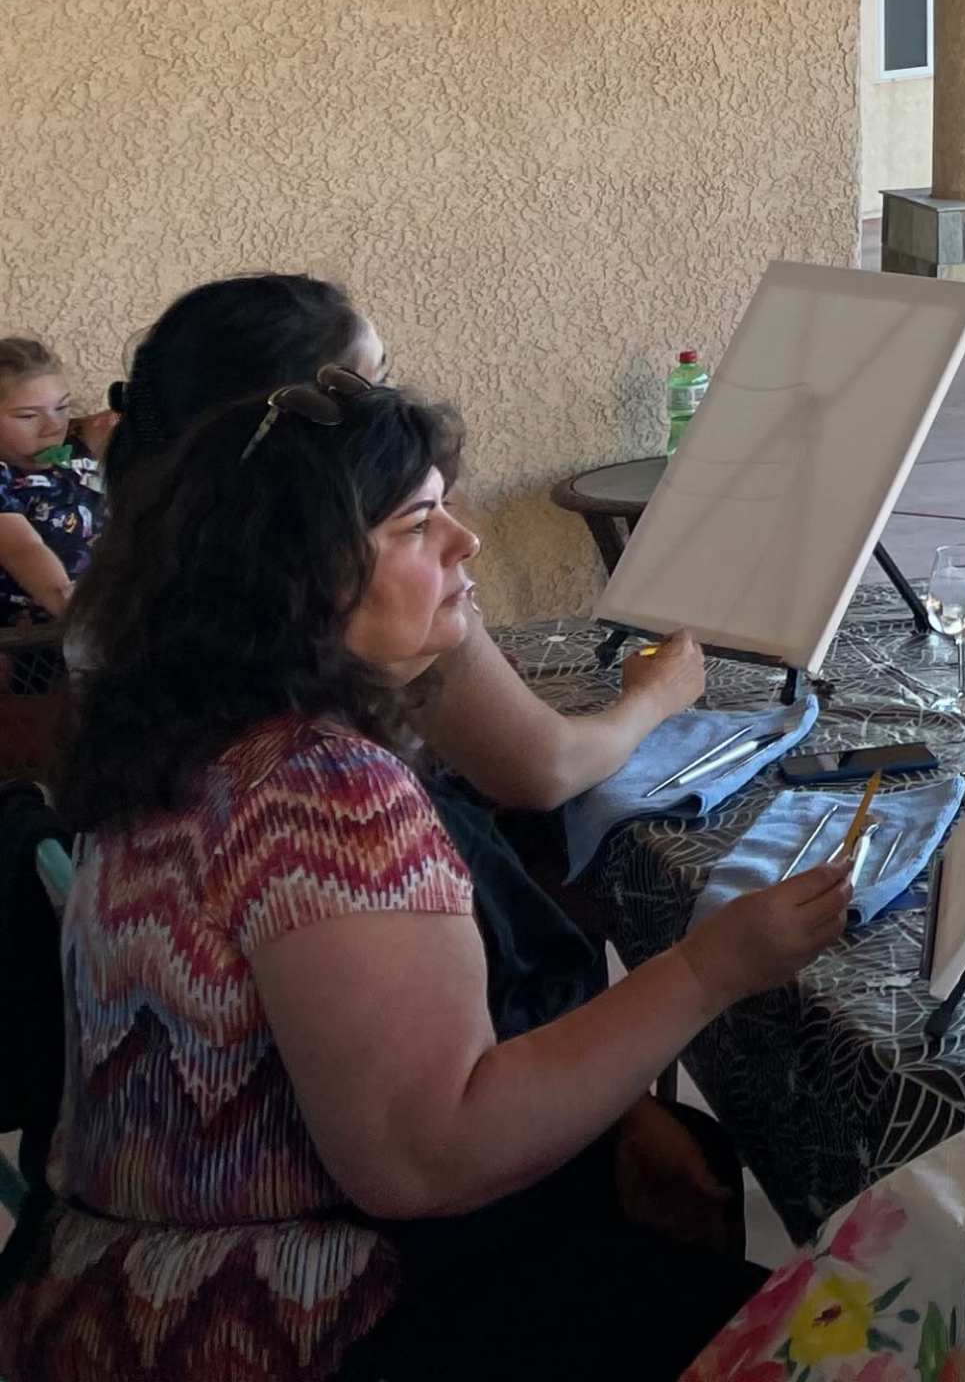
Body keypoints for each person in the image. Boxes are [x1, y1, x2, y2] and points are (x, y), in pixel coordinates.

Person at [0, 368, 851, 1382]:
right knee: (845, 1338)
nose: (466, 542)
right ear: (303, 577)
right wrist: (711, 968)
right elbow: (430, 1157)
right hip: (277, 1324)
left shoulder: (174, 737)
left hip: (103, 1299)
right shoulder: (322, 791)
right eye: (417, 526)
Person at [103, 275, 712, 1037]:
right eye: (370, 386)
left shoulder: (136, 582)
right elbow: (540, 768)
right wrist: (654, 697)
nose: (466, 538)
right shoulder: (326, 788)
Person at [0, 338, 101, 626]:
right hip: (33, 637)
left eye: (63, 407)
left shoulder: (77, 449)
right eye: (28, 415)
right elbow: (21, 549)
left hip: (102, 614)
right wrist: (77, 615)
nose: (53, 426)